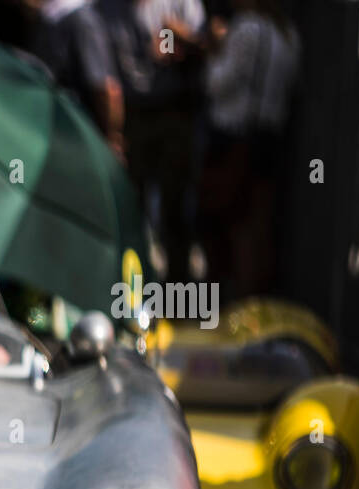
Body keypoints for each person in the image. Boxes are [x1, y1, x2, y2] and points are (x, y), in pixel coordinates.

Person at [99, 0, 207, 282]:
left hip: (174, 113)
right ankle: (133, 280)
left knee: (175, 204)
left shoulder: (182, 4)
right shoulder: (110, 9)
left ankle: (179, 286)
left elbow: (207, 46)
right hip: (134, 116)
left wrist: (179, 39)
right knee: (132, 203)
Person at [199, 0, 300, 298]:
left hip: (236, 138)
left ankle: (236, 299)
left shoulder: (246, 29)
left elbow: (216, 83)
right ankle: (255, 296)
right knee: (258, 221)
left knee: (230, 221)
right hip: (269, 136)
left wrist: (216, 48)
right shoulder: (288, 34)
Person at [22, 0, 126, 157]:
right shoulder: (79, 20)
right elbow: (106, 89)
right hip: (71, 129)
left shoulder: (59, 17)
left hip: (59, 125)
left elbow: (105, 89)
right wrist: (113, 136)